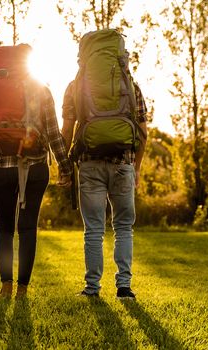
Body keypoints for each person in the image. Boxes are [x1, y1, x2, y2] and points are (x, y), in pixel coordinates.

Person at [61, 36, 148, 300]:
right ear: (121, 56)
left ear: (83, 56)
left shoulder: (75, 86)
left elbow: (66, 129)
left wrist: (65, 167)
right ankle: (124, 288)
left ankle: (92, 289)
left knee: (94, 230)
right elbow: (143, 131)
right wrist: (137, 167)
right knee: (123, 228)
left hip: (89, 164)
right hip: (123, 163)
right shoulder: (130, 85)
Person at [0, 44, 72, 299]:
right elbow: (54, 133)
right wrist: (64, 168)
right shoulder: (41, 89)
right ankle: (22, 289)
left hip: (2, 166)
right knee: (28, 227)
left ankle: (5, 288)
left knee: (4, 227)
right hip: (34, 168)